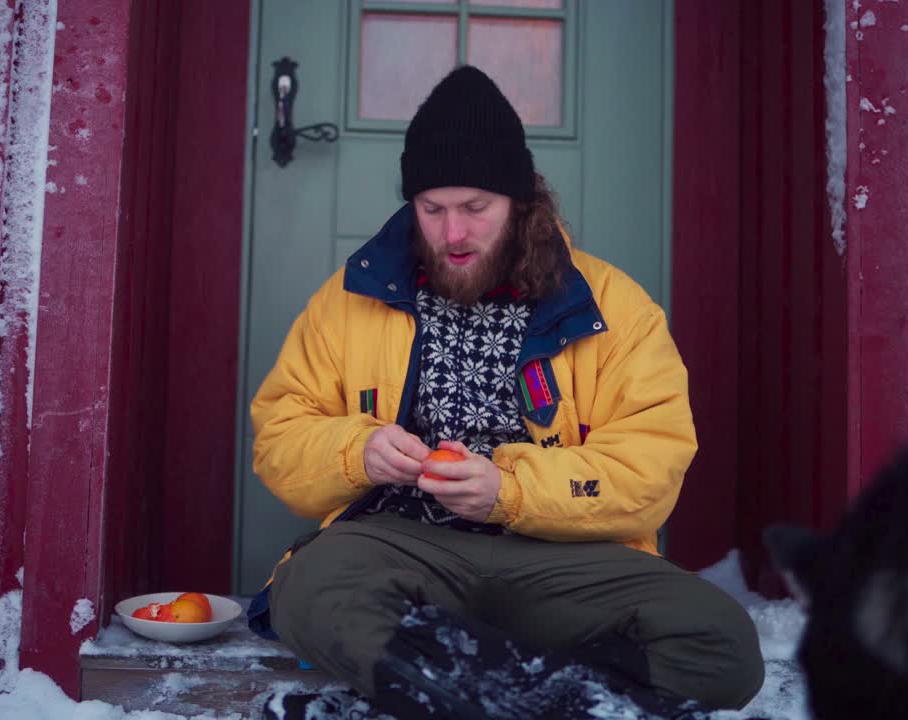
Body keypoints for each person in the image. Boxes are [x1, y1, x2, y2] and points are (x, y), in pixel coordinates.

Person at [247, 65, 763, 719]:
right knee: (308, 587)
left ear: (522, 202)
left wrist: (508, 490)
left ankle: (430, 692)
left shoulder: (616, 307)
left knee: (722, 644)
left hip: (564, 558)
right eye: (432, 210)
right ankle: (561, 700)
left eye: (475, 209)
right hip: (406, 549)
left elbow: (650, 473)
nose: (453, 233)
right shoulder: (350, 298)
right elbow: (282, 434)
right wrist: (359, 452)